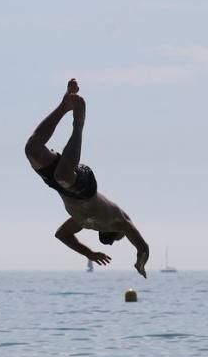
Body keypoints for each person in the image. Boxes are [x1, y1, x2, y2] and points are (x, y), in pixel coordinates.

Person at [26, 78, 151, 277]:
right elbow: (143, 246)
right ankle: (78, 122)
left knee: (32, 149)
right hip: (84, 185)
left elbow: (62, 235)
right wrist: (140, 263)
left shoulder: (82, 223)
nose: (124, 236)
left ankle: (64, 105)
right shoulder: (117, 221)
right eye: (122, 237)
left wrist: (90, 253)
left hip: (61, 185)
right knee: (63, 176)